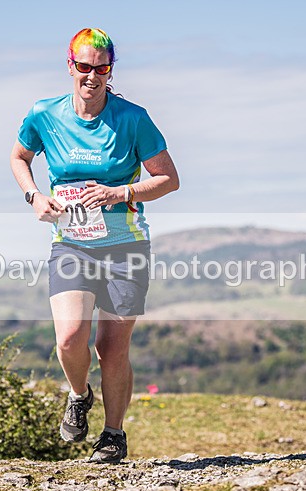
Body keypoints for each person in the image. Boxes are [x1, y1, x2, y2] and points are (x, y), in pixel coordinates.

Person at [10, 28, 179, 463]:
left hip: (125, 247)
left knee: (111, 348)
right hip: (72, 245)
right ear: (70, 66)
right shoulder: (44, 113)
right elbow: (19, 158)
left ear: (110, 71)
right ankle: (79, 394)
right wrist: (34, 196)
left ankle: (113, 435)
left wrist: (119, 193)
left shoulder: (132, 118)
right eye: (83, 67)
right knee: (69, 338)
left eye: (100, 68)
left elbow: (168, 179)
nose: (91, 76)